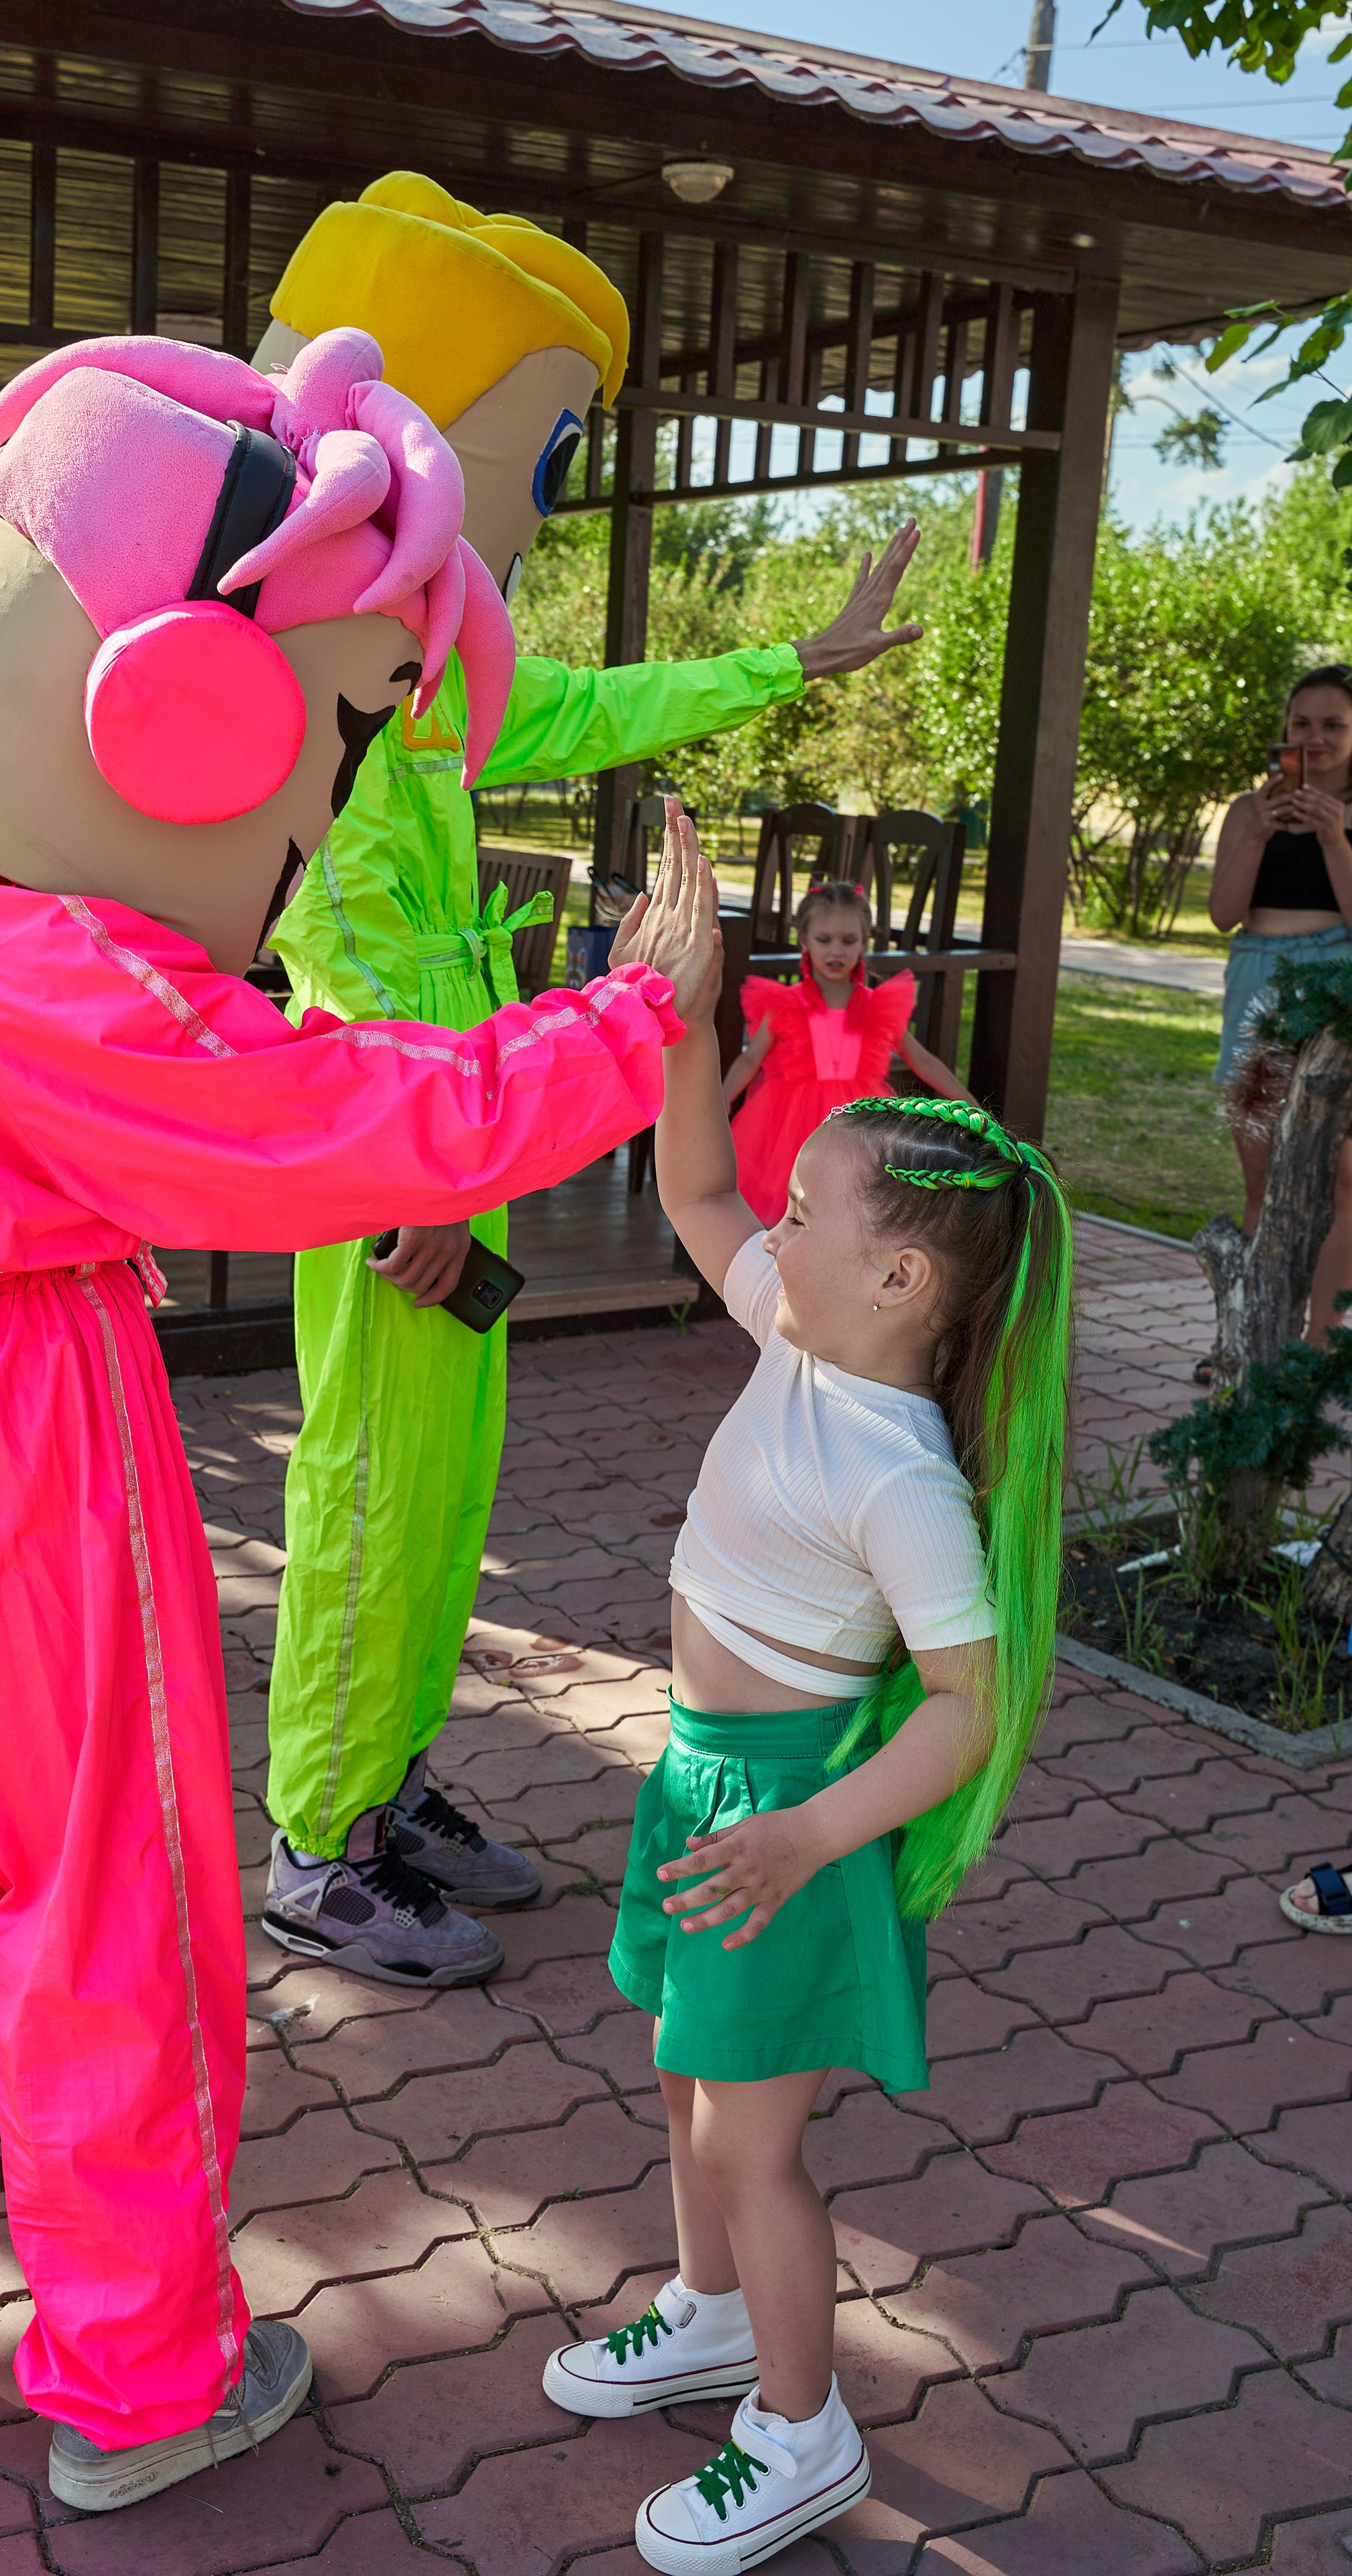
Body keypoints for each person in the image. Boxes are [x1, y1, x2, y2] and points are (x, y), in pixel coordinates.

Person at [0, 327, 717, 2523]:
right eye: (331, 733)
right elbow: (334, 1121)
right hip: (18, 1421)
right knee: (106, 1898)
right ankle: (139, 2380)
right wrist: (638, 1022)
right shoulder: (33, 960)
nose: (320, 792)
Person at [253, 172, 925, 1990]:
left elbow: (602, 700)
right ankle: (317, 1844)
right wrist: (392, 1183)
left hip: (451, 1163)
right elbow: (309, 946)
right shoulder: (309, 685)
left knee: (443, 1508)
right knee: (364, 1504)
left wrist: (804, 655)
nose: (535, 515)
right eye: (532, 456)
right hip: (377, 1170)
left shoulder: (436, 686)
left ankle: (380, 1788)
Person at [541, 810, 1071, 2572]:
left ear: (902, 1278)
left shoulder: (901, 1467)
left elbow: (967, 1708)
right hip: (709, 1780)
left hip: (781, 1813)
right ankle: (702, 2316)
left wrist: (805, 1838)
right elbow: (695, 1184)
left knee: (761, 2149)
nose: (771, 1213)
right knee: (689, 2084)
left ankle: (802, 2428)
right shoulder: (798, 1322)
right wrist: (681, 1018)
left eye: (809, 1208)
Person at [1208, 665, 1352, 1354]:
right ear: (1285, 730)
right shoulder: (1248, 807)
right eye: (1303, 724)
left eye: (1333, 725)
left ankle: (1319, 1345)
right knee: (1261, 1170)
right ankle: (1249, 1338)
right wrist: (1259, 833)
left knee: (1346, 1175)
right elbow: (1221, 914)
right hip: (1258, 982)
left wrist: (1334, 839)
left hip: (1337, 990)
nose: (1315, 738)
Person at [723, 877, 972, 1226]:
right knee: (791, 1207)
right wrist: (721, 1100)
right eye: (824, 940)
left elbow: (922, 1059)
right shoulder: (786, 1004)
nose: (836, 951)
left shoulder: (876, 1006)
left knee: (857, 1206)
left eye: (848, 940)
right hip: (789, 1122)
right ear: (804, 941)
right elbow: (752, 1059)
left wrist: (966, 1102)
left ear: (864, 942)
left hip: (861, 1117)